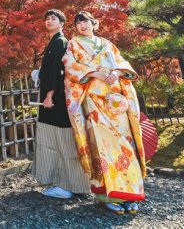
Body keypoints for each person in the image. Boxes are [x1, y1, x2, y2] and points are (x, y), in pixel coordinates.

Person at [62, 11, 146, 215]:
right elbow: (70, 65)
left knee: (126, 144)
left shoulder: (107, 44)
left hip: (116, 102)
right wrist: (94, 73)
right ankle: (108, 194)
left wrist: (117, 72)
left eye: (85, 22)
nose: (82, 25)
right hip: (94, 102)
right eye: (78, 23)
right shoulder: (74, 43)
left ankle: (131, 193)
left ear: (94, 23)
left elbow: (122, 63)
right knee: (102, 146)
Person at [32, 9, 91, 199]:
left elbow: (59, 72)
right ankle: (63, 182)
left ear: (62, 24)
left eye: (53, 19)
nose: (49, 21)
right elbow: (48, 70)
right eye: (47, 18)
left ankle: (68, 185)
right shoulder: (54, 42)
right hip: (53, 100)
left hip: (56, 101)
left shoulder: (60, 42)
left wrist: (49, 95)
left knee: (63, 142)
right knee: (54, 141)